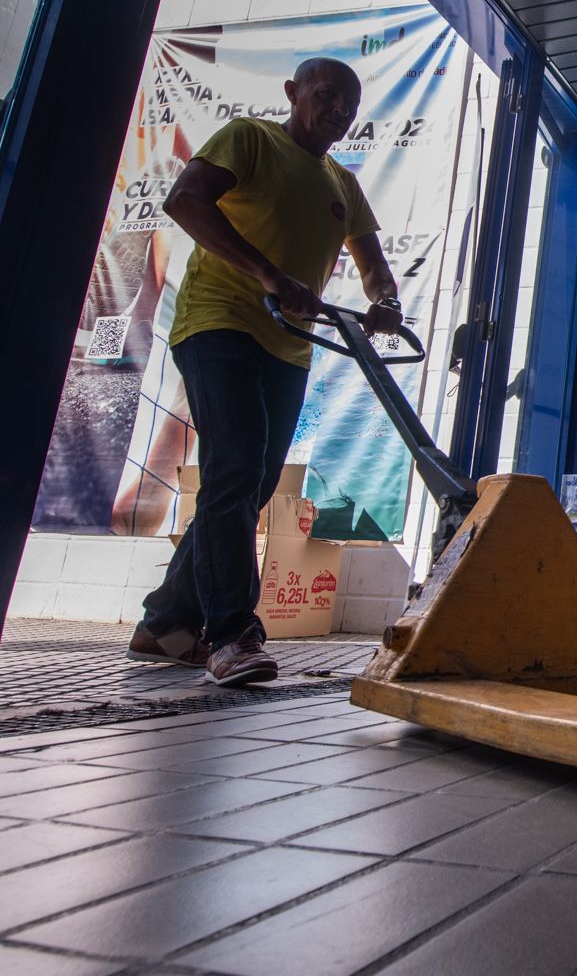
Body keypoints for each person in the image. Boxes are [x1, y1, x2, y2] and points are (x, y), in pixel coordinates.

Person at [129, 58, 403, 686]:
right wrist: (268, 275)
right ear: (293, 92)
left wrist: (384, 301)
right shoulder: (251, 138)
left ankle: (163, 625)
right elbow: (185, 201)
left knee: (247, 486)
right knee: (235, 470)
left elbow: (373, 265)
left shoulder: (342, 182)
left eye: (349, 104)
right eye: (326, 95)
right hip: (221, 323)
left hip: (290, 344)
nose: (338, 110)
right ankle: (231, 636)